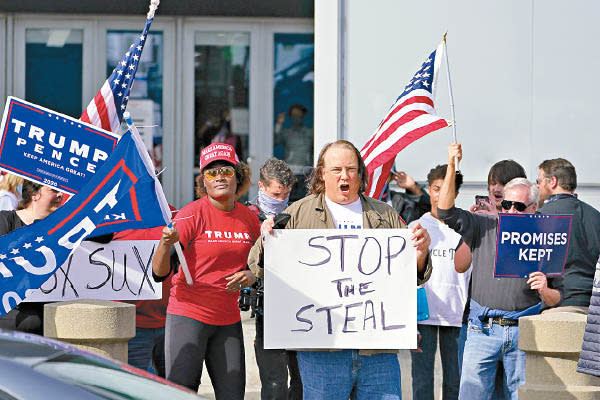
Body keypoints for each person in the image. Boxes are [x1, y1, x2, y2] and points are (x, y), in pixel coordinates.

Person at [250, 140, 433, 399]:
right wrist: (266, 240)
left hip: (377, 353)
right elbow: (256, 265)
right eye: (336, 170)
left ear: (360, 174)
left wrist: (421, 253)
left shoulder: (386, 215)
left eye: (351, 169)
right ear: (322, 174)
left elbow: (414, 274)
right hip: (323, 354)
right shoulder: (297, 214)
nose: (344, 176)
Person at [438, 143, 561, 399]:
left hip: (524, 333)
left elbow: (558, 297)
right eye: (505, 205)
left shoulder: (547, 236)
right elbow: (444, 211)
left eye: (519, 207)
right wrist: (451, 165)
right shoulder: (484, 224)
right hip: (481, 330)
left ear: (534, 209)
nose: (511, 211)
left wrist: (546, 291)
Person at [151, 143, 260, 398]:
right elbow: (159, 273)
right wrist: (164, 245)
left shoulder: (249, 218)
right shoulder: (191, 214)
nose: (220, 176)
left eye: (226, 170)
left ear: (238, 176)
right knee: (182, 392)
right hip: (189, 313)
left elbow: (260, 263)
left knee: (233, 394)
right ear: (204, 181)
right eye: (211, 173)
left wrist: (252, 275)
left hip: (228, 317)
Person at [410, 164, 472, 400]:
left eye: (446, 189)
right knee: (422, 382)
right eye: (436, 188)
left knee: (455, 383)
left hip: (456, 315)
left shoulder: (466, 226)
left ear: (455, 193)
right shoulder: (415, 227)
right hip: (422, 315)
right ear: (428, 190)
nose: (440, 194)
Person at [246, 158, 302, 400]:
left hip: (299, 307)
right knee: (274, 382)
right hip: (265, 309)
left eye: (286, 194)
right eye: (276, 194)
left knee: (301, 381)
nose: (281, 200)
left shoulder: (297, 213)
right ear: (261, 186)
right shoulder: (247, 216)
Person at [537, 158, 600, 314]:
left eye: (539, 181)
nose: (537, 186)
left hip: (560, 306)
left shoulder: (540, 218)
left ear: (552, 181)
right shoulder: (596, 216)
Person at [0, 180, 63, 334]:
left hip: (51, 311)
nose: (60, 195)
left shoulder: (62, 225)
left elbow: (105, 237)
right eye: (53, 190)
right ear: (34, 195)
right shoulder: (5, 219)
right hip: (14, 311)